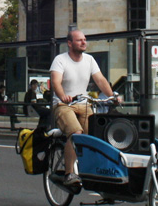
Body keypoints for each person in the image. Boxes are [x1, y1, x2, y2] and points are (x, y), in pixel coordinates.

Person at [50, 29, 119, 187]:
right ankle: (69, 173)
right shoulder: (60, 60)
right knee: (76, 133)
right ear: (70, 43)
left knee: (94, 136)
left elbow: (100, 80)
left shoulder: (89, 60)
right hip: (64, 105)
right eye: (79, 40)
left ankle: (92, 170)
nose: (83, 42)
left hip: (84, 103)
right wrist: (62, 96)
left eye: (84, 39)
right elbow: (56, 82)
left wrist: (113, 97)